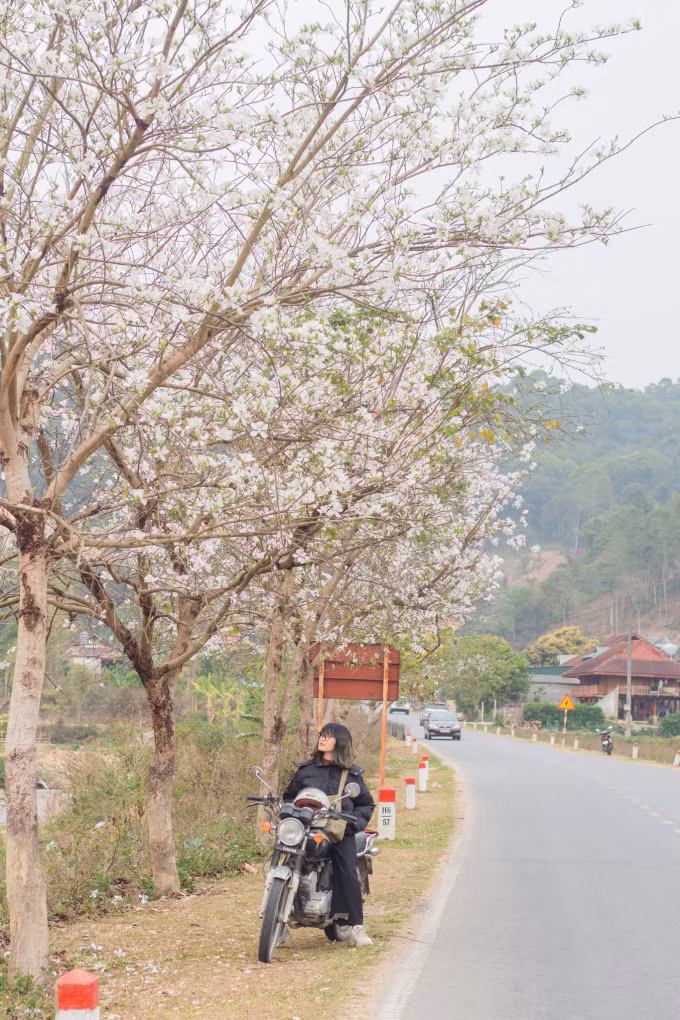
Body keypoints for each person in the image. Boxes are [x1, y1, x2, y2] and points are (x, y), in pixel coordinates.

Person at [282, 722, 375, 947]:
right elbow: (288, 796)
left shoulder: (351, 774)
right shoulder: (305, 770)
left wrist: (351, 826)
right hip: (306, 829)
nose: (322, 739)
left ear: (340, 742)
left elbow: (366, 804)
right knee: (285, 862)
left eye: (329, 736)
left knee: (347, 872)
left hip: (338, 832)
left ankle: (356, 927)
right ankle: (278, 922)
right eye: (322, 735)